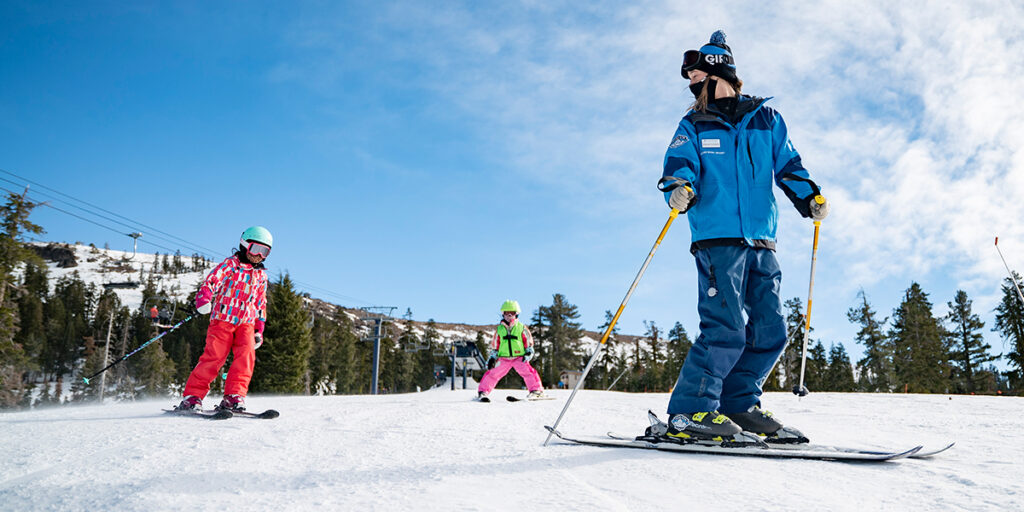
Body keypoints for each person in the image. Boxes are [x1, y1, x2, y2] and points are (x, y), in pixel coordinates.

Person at [658, 31, 828, 443]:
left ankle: (737, 403)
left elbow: (789, 165)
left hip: (762, 240)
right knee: (726, 326)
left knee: (772, 329)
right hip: (717, 238)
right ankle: (689, 411)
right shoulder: (694, 123)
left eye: (697, 76)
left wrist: (809, 197)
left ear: (719, 72)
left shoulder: (766, 120)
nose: (693, 85)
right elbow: (679, 164)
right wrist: (678, 187)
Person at [175, 226, 272, 413]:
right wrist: (204, 298)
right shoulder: (230, 265)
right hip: (223, 319)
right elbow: (211, 281)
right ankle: (192, 397)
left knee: (246, 358)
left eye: (264, 252)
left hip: (247, 323)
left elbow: (261, 303)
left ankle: (234, 396)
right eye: (255, 249)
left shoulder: (261, 275)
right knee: (214, 357)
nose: (259, 255)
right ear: (244, 246)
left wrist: (259, 329)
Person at [476, 300, 545, 401]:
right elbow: (495, 345)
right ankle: (483, 392)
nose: (509, 315)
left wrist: (529, 351)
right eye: (506, 313)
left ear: (516, 314)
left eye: (512, 313)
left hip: (519, 357)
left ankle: (536, 391)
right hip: (504, 357)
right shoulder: (499, 330)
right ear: (503, 314)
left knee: (527, 371)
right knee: (493, 373)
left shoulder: (521, 328)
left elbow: (528, 341)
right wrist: (492, 357)